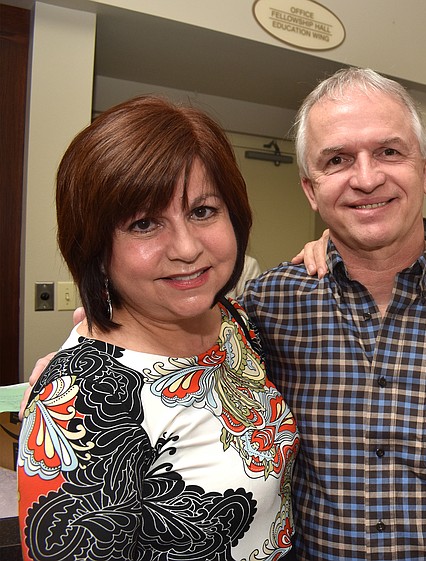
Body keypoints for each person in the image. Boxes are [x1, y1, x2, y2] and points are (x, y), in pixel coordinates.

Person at [17, 96, 299, 560]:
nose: (187, 247)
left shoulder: (235, 324)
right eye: (145, 223)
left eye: (203, 211)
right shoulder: (81, 404)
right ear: (95, 247)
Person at [240, 67, 426, 559]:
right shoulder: (267, 306)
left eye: (388, 151)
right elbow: (173, 366)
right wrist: (99, 340)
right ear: (311, 189)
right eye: (338, 159)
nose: (366, 178)